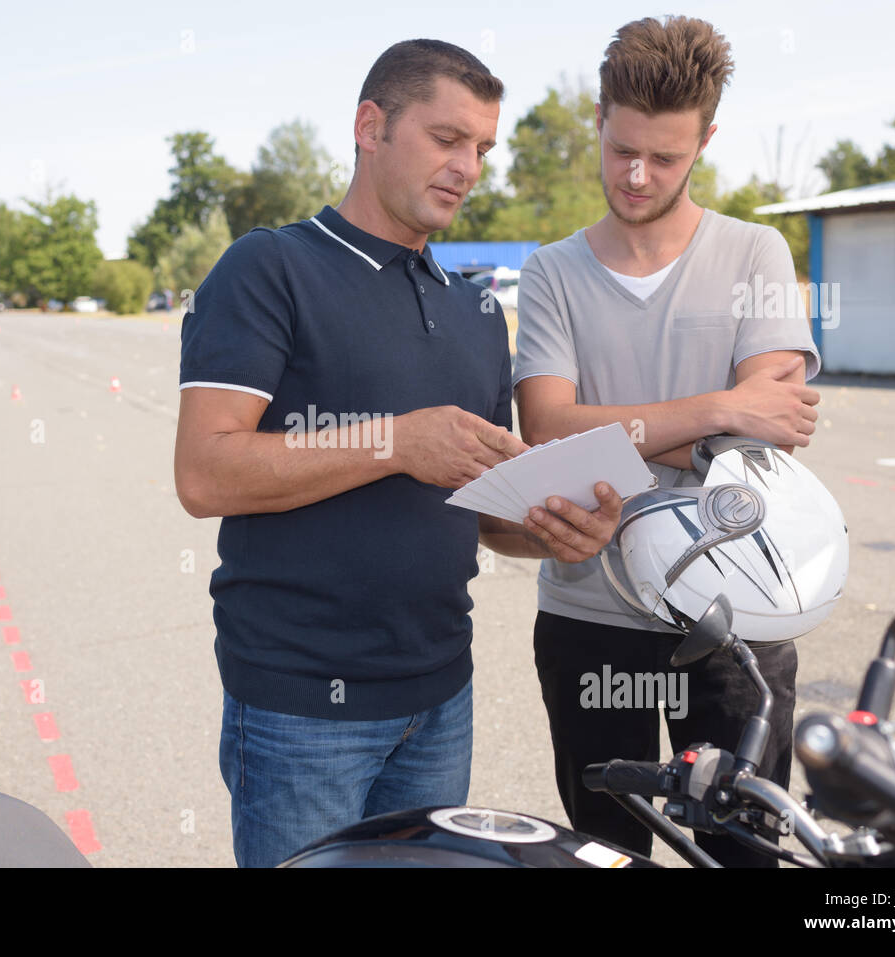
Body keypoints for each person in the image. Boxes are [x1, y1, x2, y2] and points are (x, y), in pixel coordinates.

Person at [174, 39, 625, 868]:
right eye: (447, 138)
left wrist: (556, 529)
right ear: (370, 125)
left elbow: (488, 509)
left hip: (440, 696)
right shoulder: (268, 268)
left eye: (483, 148)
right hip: (300, 706)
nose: (469, 167)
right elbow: (204, 473)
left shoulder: (478, 310)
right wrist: (393, 441)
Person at [513, 16, 822, 867]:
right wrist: (719, 408)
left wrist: (616, 432)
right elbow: (546, 432)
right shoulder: (550, 272)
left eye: (667, 157)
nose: (638, 175)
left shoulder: (757, 251)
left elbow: (769, 441)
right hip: (587, 613)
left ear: (706, 141)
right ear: (600, 121)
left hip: (737, 613)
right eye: (622, 151)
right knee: (605, 853)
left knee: (742, 852)